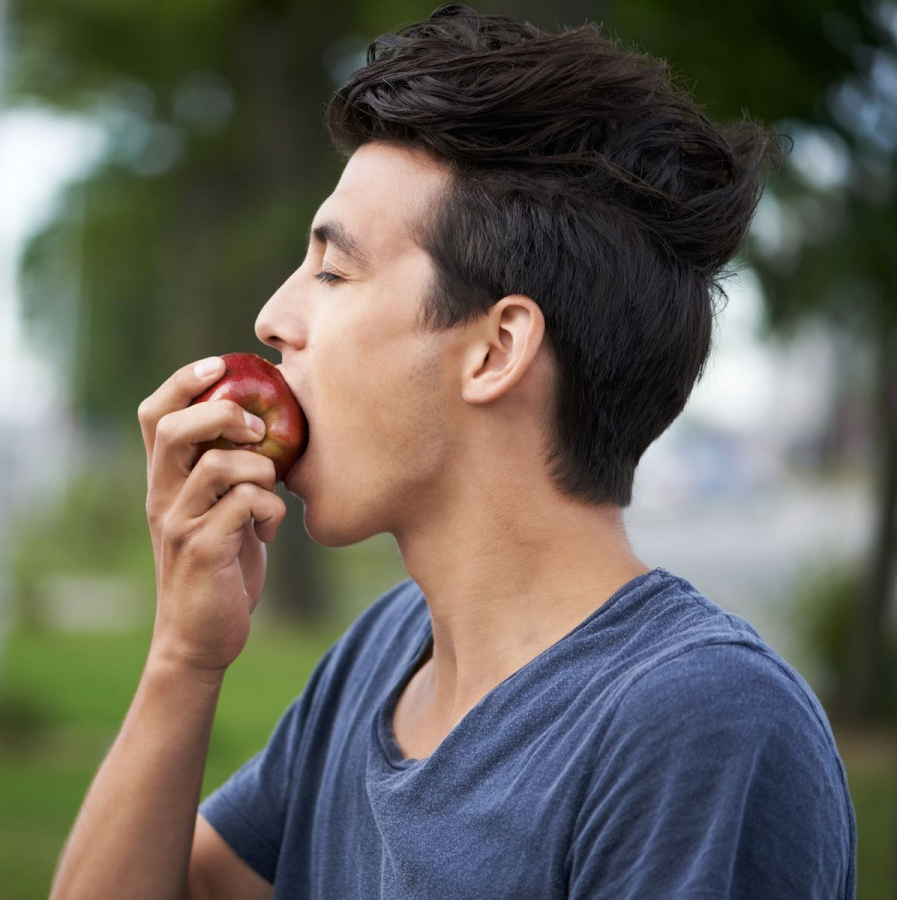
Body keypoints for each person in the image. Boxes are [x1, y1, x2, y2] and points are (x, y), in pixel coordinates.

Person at [49, 5, 857, 898]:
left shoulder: (697, 725)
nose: (274, 319)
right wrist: (184, 656)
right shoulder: (381, 658)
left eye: (332, 270)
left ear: (495, 350)